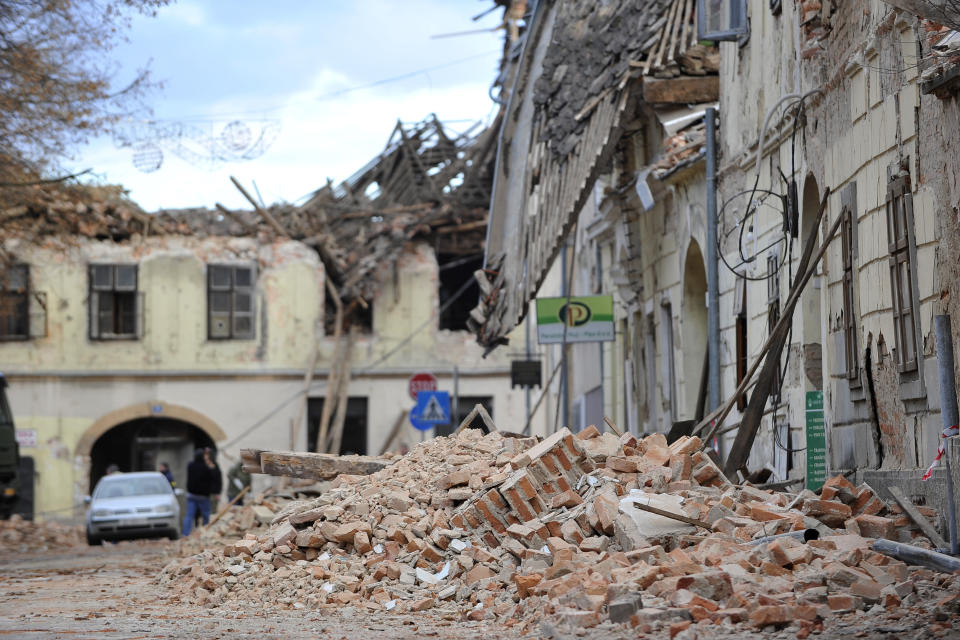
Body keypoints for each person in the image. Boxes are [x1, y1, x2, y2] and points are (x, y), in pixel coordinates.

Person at [182, 448, 220, 536]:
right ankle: (206, 532)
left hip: (191, 495)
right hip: (203, 496)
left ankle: (185, 534)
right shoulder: (206, 467)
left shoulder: (190, 465)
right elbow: (215, 475)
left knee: (189, 516)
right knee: (206, 515)